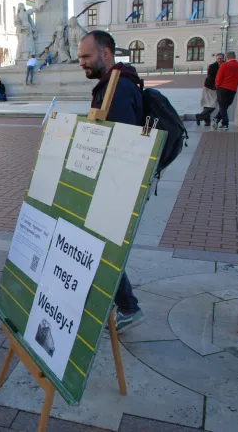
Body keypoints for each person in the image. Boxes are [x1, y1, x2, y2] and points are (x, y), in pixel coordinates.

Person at [77, 30, 146, 333]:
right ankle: (116, 302)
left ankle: (128, 307)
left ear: (105, 53)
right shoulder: (110, 84)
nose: (82, 63)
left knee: (101, 249)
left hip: (114, 184)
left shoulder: (118, 89)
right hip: (108, 182)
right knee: (97, 247)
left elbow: (123, 145)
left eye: (86, 56)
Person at [214, 51, 238, 130]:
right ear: (234, 56)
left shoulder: (224, 65)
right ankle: (216, 119)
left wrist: (217, 86)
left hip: (222, 88)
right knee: (225, 106)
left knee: (222, 106)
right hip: (233, 89)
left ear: (227, 57)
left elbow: (219, 77)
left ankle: (225, 123)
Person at [197, 53, 224, 127]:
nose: (220, 60)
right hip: (209, 87)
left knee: (210, 104)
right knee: (209, 104)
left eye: (221, 58)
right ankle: (206, 121)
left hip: (217, 88)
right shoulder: (212, 66)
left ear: (223, 58)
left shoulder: (225, 65)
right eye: (218, 58)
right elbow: (210, 77)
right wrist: (216, 85)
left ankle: (201, 117)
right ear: (216, 59)